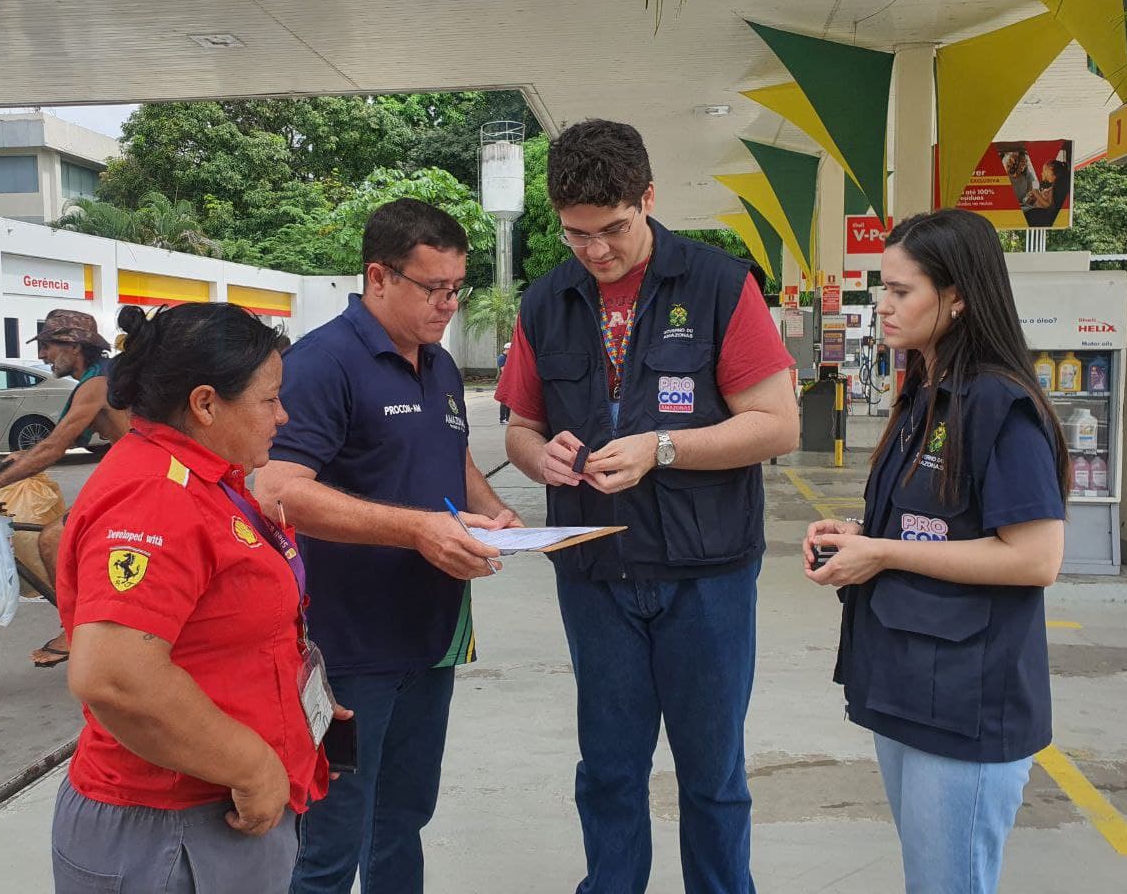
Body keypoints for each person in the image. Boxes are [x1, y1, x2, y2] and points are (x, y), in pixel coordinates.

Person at [496, 119, 799, 894]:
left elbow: (777, 425)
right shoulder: (546, 302)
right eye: (575, 234)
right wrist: (542, 457)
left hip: (707, 578)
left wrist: (663, 447)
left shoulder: (719, 285)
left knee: (711, 776)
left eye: (613, 230)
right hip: (595, 573)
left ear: (649, 198)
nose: (595, 251)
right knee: (608, 771)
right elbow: (521, 426)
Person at [253, 198, 519, 894]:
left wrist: (496, 514)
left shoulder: (438, 365)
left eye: (457, 288)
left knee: (403, 819)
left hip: (429, 639)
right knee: (332, 836)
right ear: (378, 277)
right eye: (433, 288)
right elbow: (277, 491)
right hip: (349, 650)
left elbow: (450, 457)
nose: (448, 305)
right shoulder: (322, 365)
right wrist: (417, 529)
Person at [802, 208, 1068, 894]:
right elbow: (931, 526)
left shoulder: (999, 407)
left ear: (957, 297)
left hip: (965, 703)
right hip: (905, 685)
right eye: (880, 289)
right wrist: (859, 540)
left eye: (901, 291)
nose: (882, 307)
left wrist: (885, 555)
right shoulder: (925, 395)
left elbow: (1035, 559)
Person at [51, 303, 349, 893]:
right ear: (206, 403)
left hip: (208, 817)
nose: (283, 416)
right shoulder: (154, 498)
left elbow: (221, 633)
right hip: (170, 829)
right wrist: (253, 764)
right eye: (269, 400)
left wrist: (296, 713)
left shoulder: (207, 476)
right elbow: (115, 677)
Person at [0, 308, 129, 667]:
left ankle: (76, 630)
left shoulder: (97, 383)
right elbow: (61, 438)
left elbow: (54, 447)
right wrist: (20, 459)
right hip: (128, 462)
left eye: (48, 346)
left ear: (73, 346)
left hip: (141, 469)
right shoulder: (97, 378)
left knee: (53, 538)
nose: (42, 356)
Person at [1024, 159, 1071, 228]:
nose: (1042, 173)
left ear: (1050, 170)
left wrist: (1037, 193)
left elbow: (1048, 205)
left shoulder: (1057, 186)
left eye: (1044, 171)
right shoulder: (1055, 185)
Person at [497, 340, 511, 424]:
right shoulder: (502, 358)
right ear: (507, 349)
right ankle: (502, 418)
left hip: (508, 381)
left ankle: (508, 418)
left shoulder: (508, 357)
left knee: (509, 400)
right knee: (504, 400)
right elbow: (504, 370)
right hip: (504, 381)